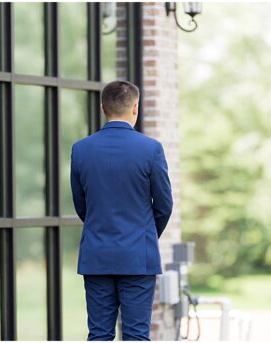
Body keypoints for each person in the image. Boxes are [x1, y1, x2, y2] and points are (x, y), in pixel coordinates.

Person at [71, 80, 173, 341]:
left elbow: (81, 205)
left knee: (99, 335)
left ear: (102, 107)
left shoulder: (81, 150)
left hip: (97, 255)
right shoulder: (151, 149)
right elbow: (164, 205)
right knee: (137, 335)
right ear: (135, 108)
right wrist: (145, 234)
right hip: (139, 256)